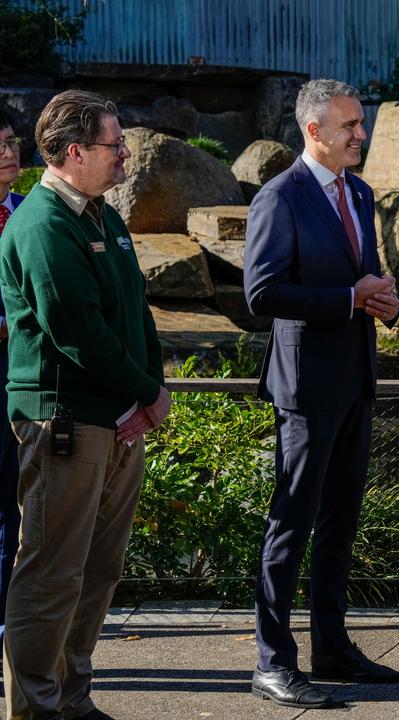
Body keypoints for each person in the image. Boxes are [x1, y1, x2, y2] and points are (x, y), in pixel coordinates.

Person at [0, 89, 169, 720]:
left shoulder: (102, 214)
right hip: (66, 419)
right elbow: (77, 331)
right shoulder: (43, 223)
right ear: (74, 152)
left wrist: (150, 386)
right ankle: (33, 706)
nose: (125, 153)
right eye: (113, 144)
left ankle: (72, 699)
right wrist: (145, 390)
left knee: (97, 571)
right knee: (50, 574)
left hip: (118, 419)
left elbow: (134, 312)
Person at [243, 79, 399, 710]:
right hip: (306, 389)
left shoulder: (358, 192)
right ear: (313, 131)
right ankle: (272, 662)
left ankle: (332, 648)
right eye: (349, 127)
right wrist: (349, 299)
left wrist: (380, 301)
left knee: (340, 524)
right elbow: (262, 294)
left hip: (356, 378)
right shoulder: (279, 199)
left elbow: (359, 270)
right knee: (291, 525)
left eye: (360, 124)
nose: (360, 135)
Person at [0, 109, 24, 650]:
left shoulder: (28, 212)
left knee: (14, 509)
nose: (8, 153)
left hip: (22, 384)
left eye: (10, 142)